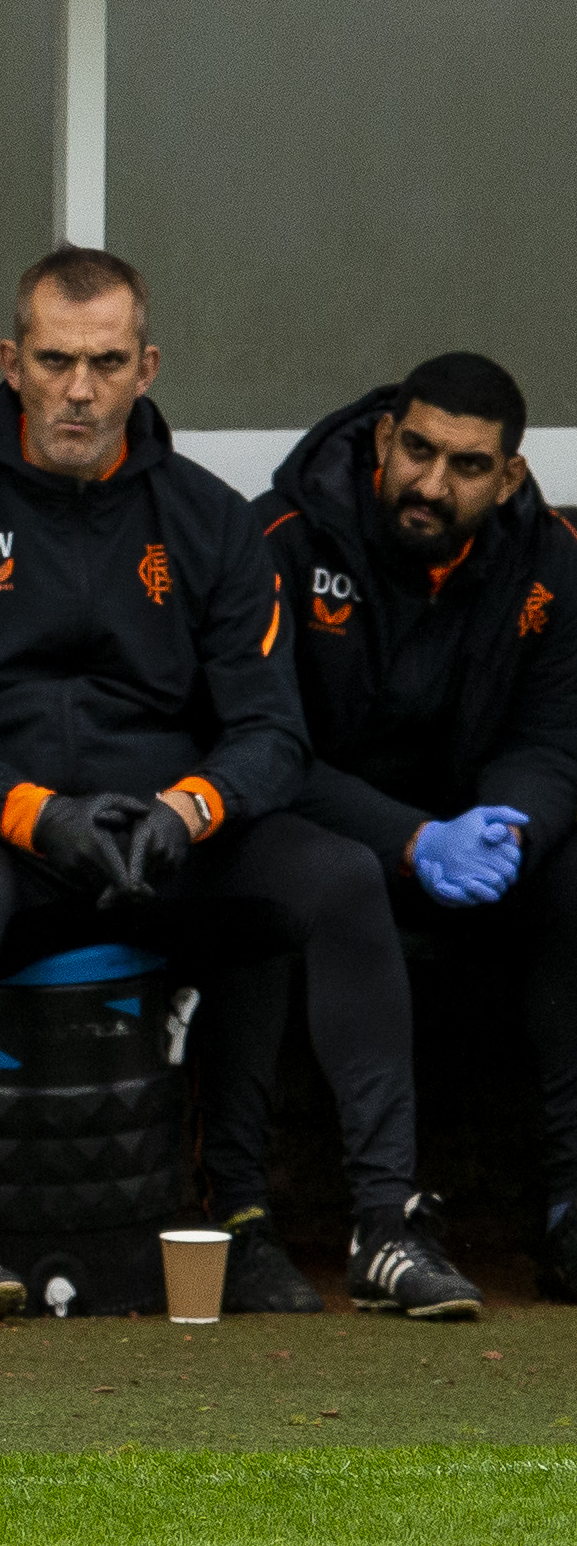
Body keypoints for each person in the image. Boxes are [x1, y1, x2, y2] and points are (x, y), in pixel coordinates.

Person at [0, 245, 478, 1325]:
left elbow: (274, 735)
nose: (79, 390)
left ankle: (385, 1227)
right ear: (12, 362)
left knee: (336, 878)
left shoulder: (209, 520)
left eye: (105, 362)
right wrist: (35, 814)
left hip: (160, 833)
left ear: (148, 367)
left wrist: (190, 811)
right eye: (54, 361)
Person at [258, 353, 577, 1302]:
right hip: (326, 833)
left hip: (474, 840)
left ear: (509, 475)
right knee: (329, 872)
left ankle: (569, 1205)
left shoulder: (550, 559)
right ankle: (382, 1220)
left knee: (575, 876)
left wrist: (509, 831)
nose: (433, 484)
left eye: (467, 465)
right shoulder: (279, 537)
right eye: (419, 451)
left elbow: (555, 741)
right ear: (385, 437)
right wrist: (411, 838)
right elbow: (265, 750)